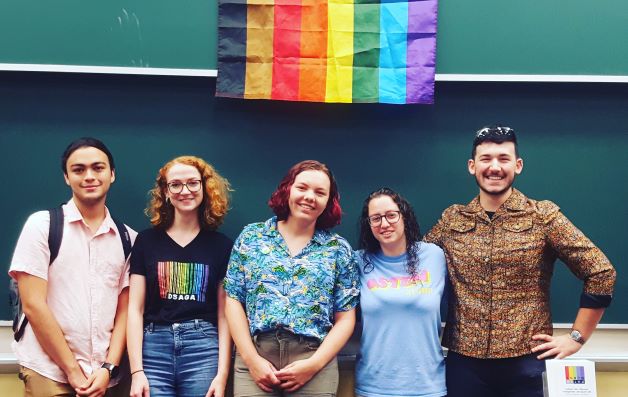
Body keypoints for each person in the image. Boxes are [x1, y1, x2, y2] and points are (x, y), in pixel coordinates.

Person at [424, 125, 617, 397]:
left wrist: (577, 338)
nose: (494, 167)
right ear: (472, 166)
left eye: (503, 159)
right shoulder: (452, 220)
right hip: (464, 364)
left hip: (525, 363)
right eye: (486, 158)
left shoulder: (543, 217)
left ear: (518, 165)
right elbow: (413, 266)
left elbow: (601, 272)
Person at [9, 137, 136, 397]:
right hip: (49, 371)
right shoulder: (42, 226)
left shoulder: (128, 239)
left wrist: (108, 368)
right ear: (67, 178)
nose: (89, 176)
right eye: (78, 170)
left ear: (112, 175)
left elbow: (126, 312)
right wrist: (72, 370)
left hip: (105, 377)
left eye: (98, 168)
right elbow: (33, 304)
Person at [224, 160, 359, 397]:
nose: (309, 197)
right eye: (302, 188)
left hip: (314, 358)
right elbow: (233, 300)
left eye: (320, 192)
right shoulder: (252, 238)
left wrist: (314, 365)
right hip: (256, 355)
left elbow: (346, 318)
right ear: (288, 189)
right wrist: (251, 359)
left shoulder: (338, 249)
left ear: (329, 201)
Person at [127, 156, 233, 397]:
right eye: (175, 184)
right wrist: (136, 372)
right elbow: (135, 309)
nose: (185, 190)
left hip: (203, 349)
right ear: (165, 191)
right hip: (153, 349)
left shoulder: (222, 246)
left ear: (205, 188)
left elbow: (224, 314)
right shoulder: (146, 242)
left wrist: (222, 374)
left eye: (193, 183)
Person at [354, 188, 447, 397]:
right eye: (375, 218)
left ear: (404, 216)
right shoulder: (358, 262)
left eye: (391, 215)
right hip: (374, 386)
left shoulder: (434, 256)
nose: (384, 224)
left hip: (427, 385)